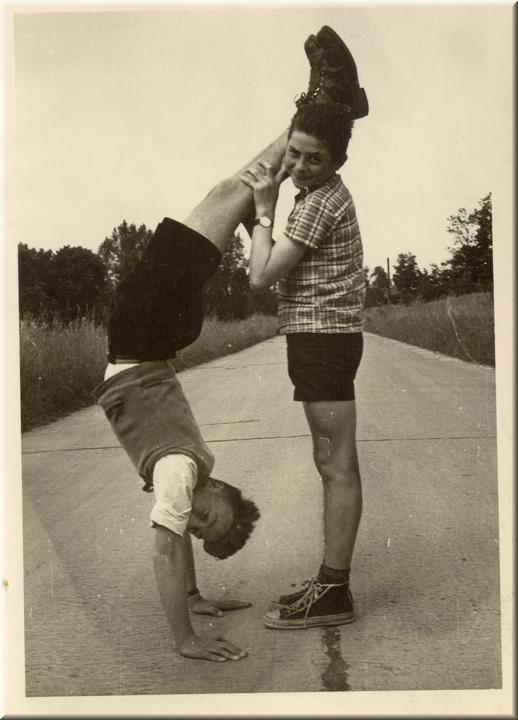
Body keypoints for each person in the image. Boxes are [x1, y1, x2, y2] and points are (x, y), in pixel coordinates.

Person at [93, 23, 362, 661]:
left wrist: (187, 630)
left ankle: (326, 103)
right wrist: (189, 610)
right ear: (224, 492)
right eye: (209, 519)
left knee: (229, 195)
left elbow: (170, 540)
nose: (194, 518)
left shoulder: (182, 478)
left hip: (141, 339)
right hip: (149, 342)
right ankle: (325, 105)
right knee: (231, 196)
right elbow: (176, 533)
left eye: (198, 524)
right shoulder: (189, 474)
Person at [240, 25, 369, 630]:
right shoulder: (315, 192)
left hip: (325, 339)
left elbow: (261, 276)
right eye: (293, 153)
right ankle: (329, 583)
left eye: (314, 158)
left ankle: (334, 591)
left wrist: (263, 211)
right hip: (319, 337)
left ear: (337, 161)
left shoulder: (318, 202)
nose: (298, 167)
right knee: (329, 460)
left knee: (336, 462)